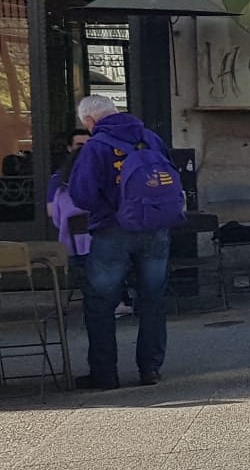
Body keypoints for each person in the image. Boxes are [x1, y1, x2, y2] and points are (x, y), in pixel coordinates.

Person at [68, 96, 175, 390]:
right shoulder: (150, 138)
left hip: (112, 231)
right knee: (153, 299)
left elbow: (82, 195)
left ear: (90, 121)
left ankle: (105, 374)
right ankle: (150, 368)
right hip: (155, 228)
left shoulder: (96, 147)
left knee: (101, 302)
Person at [46, 129, 92, 266]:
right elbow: (50, 210)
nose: (84, 149)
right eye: (79, 145)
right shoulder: (59, 179)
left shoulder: (102, 173)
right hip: (75, 239)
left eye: (89, 144)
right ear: (69, 148)